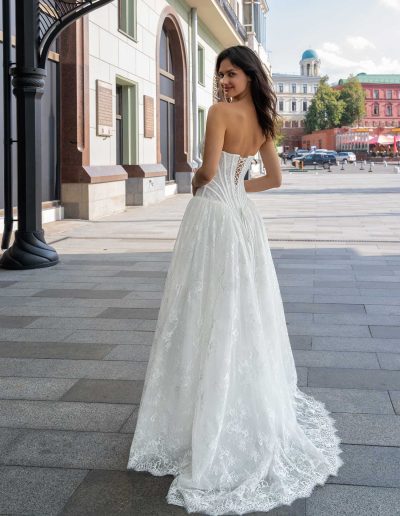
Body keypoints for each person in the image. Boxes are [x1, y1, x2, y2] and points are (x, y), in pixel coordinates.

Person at [127, 45, 343, 515]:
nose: (224, 81)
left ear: (248, 73)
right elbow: (274, 179)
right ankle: (228, 399)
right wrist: (236, 189)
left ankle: (201, 406)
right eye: (220, 74)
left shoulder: (219, 113)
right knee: (240, 307)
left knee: (204, 306)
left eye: (231, 73)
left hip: (213, 217)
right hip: (242, 218)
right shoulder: (265, 120)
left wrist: (209, 187)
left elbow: (205, 169)